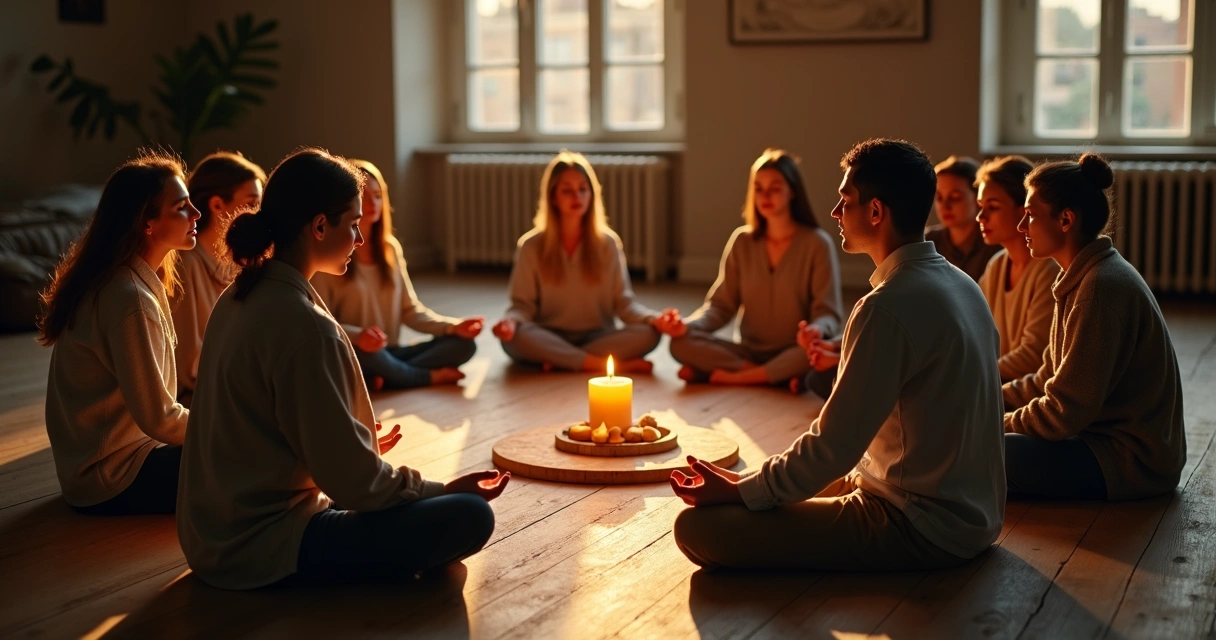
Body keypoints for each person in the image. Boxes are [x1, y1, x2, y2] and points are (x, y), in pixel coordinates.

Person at [178, 148, 508, 590]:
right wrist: (444, 489)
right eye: (352, 224)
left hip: (209, 535)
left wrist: (348, 437)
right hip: (260, 545)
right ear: (319, 226)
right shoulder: (306, 326)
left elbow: (273, 429)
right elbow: (357, 486)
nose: (358, 237)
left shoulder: (239, 295)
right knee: (470, 515)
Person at [670, 139, 1005, 572]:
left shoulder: (887, 305)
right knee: (756, 493)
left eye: (845, 200)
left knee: (697, 529)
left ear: (876, 212)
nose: (834, 212)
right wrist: (744, 483)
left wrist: (739, 494)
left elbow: (833, 448)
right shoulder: (963, 285)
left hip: (922, 523)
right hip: (976, 515)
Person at [1003, 154, 1185, 501]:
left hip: (1131, 460)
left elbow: (1063, 413)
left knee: (994, 451)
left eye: (1029, 215)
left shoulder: (1100, 289)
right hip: (1095, 439)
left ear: (1066, 219)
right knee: (985, 446)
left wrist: (991, 424)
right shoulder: (1080, 276)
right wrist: (986, 401)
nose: (1020, 227)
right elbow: (1046, 380)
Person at [39, 151, 199, 515]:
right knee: (255, 453)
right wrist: (225, 426)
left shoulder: (126, 283)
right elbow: (159, 418)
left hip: (110, 465)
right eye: (182, 207)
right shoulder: (127, 297)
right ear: (147, 222)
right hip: (111, 477)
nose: (197, 214)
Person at [666, 148, 843, 386]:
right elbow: (720, 306)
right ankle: (772, 376)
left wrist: (816, 329)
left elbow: (828, 313)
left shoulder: (817, 244)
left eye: (775, 188)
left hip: (794, 350)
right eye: (758, 188)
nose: (765, 195)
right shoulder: (742, 241)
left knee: (814, 354)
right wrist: (687, 326)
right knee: (680, 344)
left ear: (793, 191)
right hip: (748, 351)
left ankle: (740, 377)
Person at [492, 150, 673, 373]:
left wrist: (655, 319)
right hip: (548, 334)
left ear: (592, 195)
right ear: (553, 197)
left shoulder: (607, 243)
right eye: (567, 191)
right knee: (514, 339)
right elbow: (521, 306)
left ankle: (560, 360)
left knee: (649, 334)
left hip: (597, 337)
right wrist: (510, 323)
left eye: (583, 190)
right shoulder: (530, 245)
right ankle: (597, 364)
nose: (577, 197)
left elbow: (624, 304)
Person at [312, 159, 480, 390]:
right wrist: (358, 336)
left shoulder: (390, 248)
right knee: (366, 357)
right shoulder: (330, 253)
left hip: (389, 352)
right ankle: (421, 377)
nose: (373, 203)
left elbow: (410, 311)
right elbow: (322, 324)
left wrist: (452, 326)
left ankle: (386, 377)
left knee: (464, 345)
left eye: (378, 195)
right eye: (364, 195)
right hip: (355, 351)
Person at [171, 151, 265, 404]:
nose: (260, 212)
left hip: (237, 378)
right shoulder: (185, 264)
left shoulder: (245, 259)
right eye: (252, 202)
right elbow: (189, 362)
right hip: (202, 393)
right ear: (216, 205)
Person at [974, 156, 1058, 383]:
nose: (980, 217)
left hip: (1029, 391)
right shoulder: (997, 265)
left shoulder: (1048, 270)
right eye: (981, 207)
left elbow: (1033, 356)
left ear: (1024, 210)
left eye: (992, 207)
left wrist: (973, 375)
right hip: (999, 381)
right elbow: (973, 329)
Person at [925, 155, 1000, 281]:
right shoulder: (928, 243)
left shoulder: (994, 245)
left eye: (955, 197)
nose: (945, 206)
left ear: (978, 198)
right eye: (939, 197)